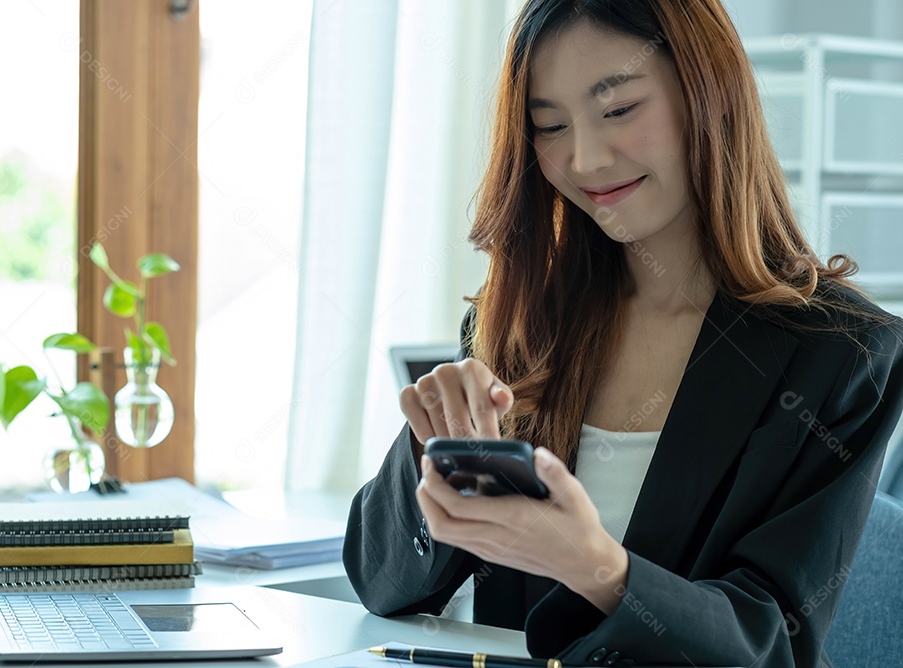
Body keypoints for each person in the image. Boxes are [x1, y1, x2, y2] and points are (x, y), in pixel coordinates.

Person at [341, 1, 903, 666]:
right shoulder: (522, 318)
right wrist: (429, 447)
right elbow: (381, 586)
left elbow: (769, 641)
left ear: (708, 93)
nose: (585, 160)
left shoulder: (841, 351)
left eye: (619, 111)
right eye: (549, 126)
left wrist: (598, 567)